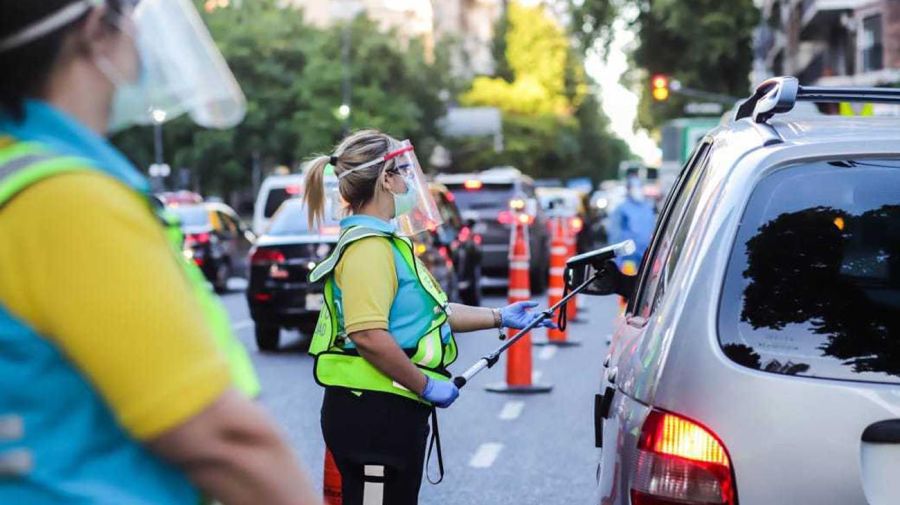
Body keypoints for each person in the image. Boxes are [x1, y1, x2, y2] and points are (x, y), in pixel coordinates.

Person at [0, 1, 319, 503]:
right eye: (130, 17)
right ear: (93, 30)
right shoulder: (68, 200)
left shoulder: (17, 171)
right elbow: (227, 442)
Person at [303, 130, 555, 505]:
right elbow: (368, 335)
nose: (408, 181)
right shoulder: (369, 249)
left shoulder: (385, 242)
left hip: (387, 411)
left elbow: (432, 315)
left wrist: (499, 317)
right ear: (385, 179)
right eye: (401, 171)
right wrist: (424, 384)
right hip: (373, 415)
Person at [607, 171, 655, 275]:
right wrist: (617, 257)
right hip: (628, 258)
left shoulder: (648, 207)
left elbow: (653, 228)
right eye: (634, 187)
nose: (637, 190)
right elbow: (615, 234)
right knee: (628, 286)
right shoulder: (622, 209)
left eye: (639, 187)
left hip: (647, 256)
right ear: (628, 189)